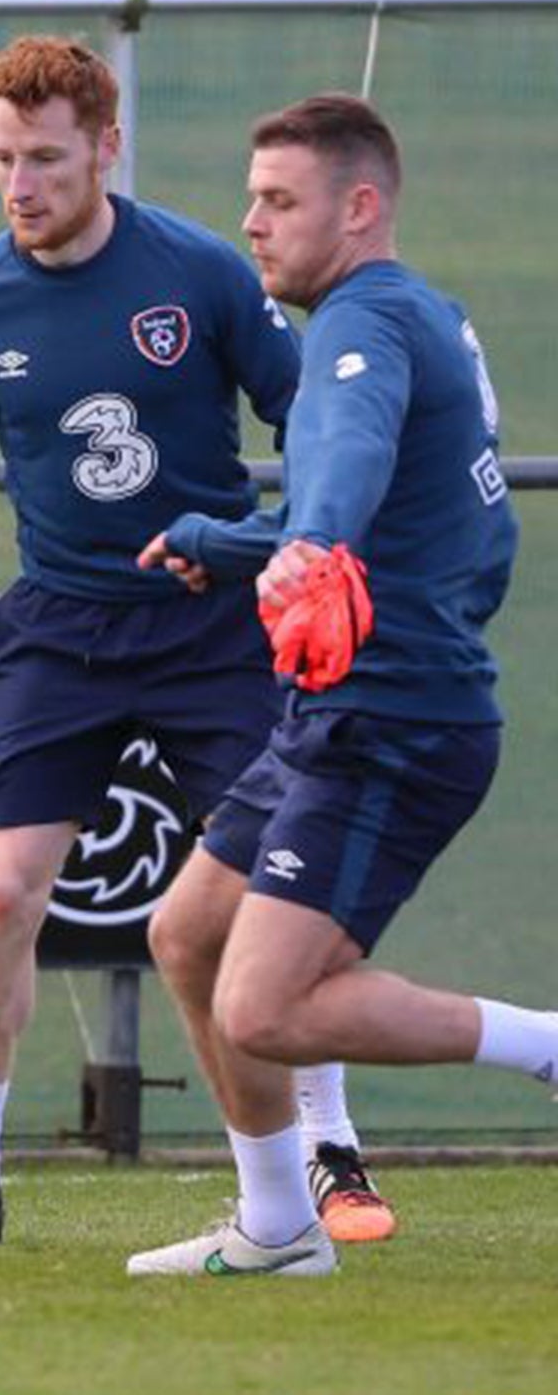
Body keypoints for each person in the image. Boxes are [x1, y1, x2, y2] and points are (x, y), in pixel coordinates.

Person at [0, 37, 393, 1249]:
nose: (19, 184)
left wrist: (282, 544)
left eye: (45, 158)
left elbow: (307, 411)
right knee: (1, 893)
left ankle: (325, 1147)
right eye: (1, 158)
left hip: (211, 627)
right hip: (57, 630)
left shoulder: (203, 274)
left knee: (281, 888)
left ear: (106, 148)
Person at [127, 93, 556, 1277]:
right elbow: (410, 511)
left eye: (277, 200)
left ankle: (546, 1046)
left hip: (393, 719)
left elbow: (349, 459)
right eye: (250, 197)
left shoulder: (360, 324)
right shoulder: (414, 313)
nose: (250, 223)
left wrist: (307, 542)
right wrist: (237, 543)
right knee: (186, 936)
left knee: (261, 1007)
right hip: (349, 704)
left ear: (356, 209)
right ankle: (275, 1225)